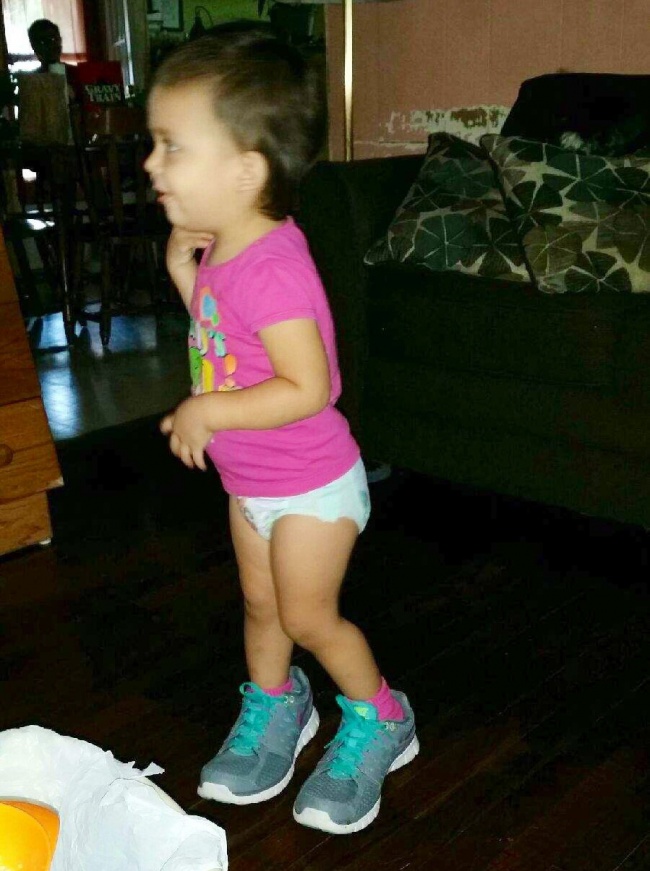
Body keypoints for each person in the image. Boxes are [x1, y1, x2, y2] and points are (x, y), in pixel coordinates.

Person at [144, 29, 419, 835]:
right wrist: (185, 276)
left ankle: (382, 716)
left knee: (307, 618)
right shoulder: (227, 249)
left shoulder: (272, 264)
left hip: (311, 487)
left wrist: (209, 411)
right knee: (261, 608)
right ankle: (278, 706)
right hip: (253, 482)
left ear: (245, 170)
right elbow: (230, 344)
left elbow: (309, 385)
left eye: (172, 146)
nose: (153, 165)